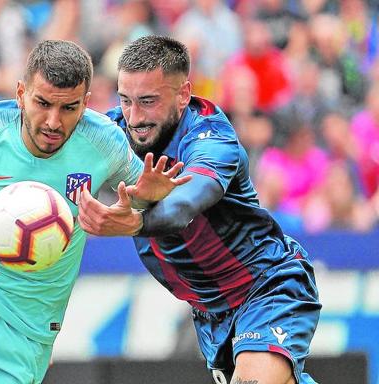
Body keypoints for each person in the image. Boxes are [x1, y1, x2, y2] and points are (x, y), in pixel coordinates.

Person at [0, 39, 187, 384]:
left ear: (85, 104)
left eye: (68, 108)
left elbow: (152, 205)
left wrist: (147, 201)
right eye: (42, 103)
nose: (53, 122)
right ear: (21, 93)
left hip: (28, 325)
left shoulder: (105, 142)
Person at [77, 35, 322, 384]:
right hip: (211, 313)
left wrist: (134, 221)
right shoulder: (112, 132)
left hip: (267, 285)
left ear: (183, 94)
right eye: (126, 100)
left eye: (148, 101)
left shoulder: (212, 137)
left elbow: (185, 204)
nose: (134, 117)